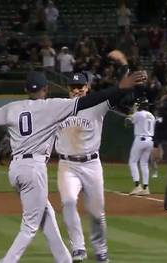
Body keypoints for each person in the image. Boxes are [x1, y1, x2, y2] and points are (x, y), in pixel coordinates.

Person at [0, 56, 147, 263]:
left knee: (47, 215)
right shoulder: (53, 106)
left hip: (16, 169)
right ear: (45, 89)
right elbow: (89, 101)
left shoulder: (11, 108)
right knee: (30, 226)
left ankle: (64, 259)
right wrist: (120, 87)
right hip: (34, 169)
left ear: (26, 90)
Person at [55, 66, 129, 262]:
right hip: (67, 165)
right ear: (68, 89)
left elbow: (117, 95)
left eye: (80, 86)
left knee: (97, 212)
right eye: (73, 87)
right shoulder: (58, 107)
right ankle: (78, 247)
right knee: (69, 201)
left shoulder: (97, 106)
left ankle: (101, 250)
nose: (77, 90)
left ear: (87, 88)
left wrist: (124, 79)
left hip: (91, 165)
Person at [127, 97, 156, 196]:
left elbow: (128, 121)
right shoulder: (152, 115)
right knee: (144, 163)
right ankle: (146, 187)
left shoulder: (138, 114)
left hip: (140, 139)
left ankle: (137, 186)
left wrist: (133, 110)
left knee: (132, 162)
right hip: (150, 140)